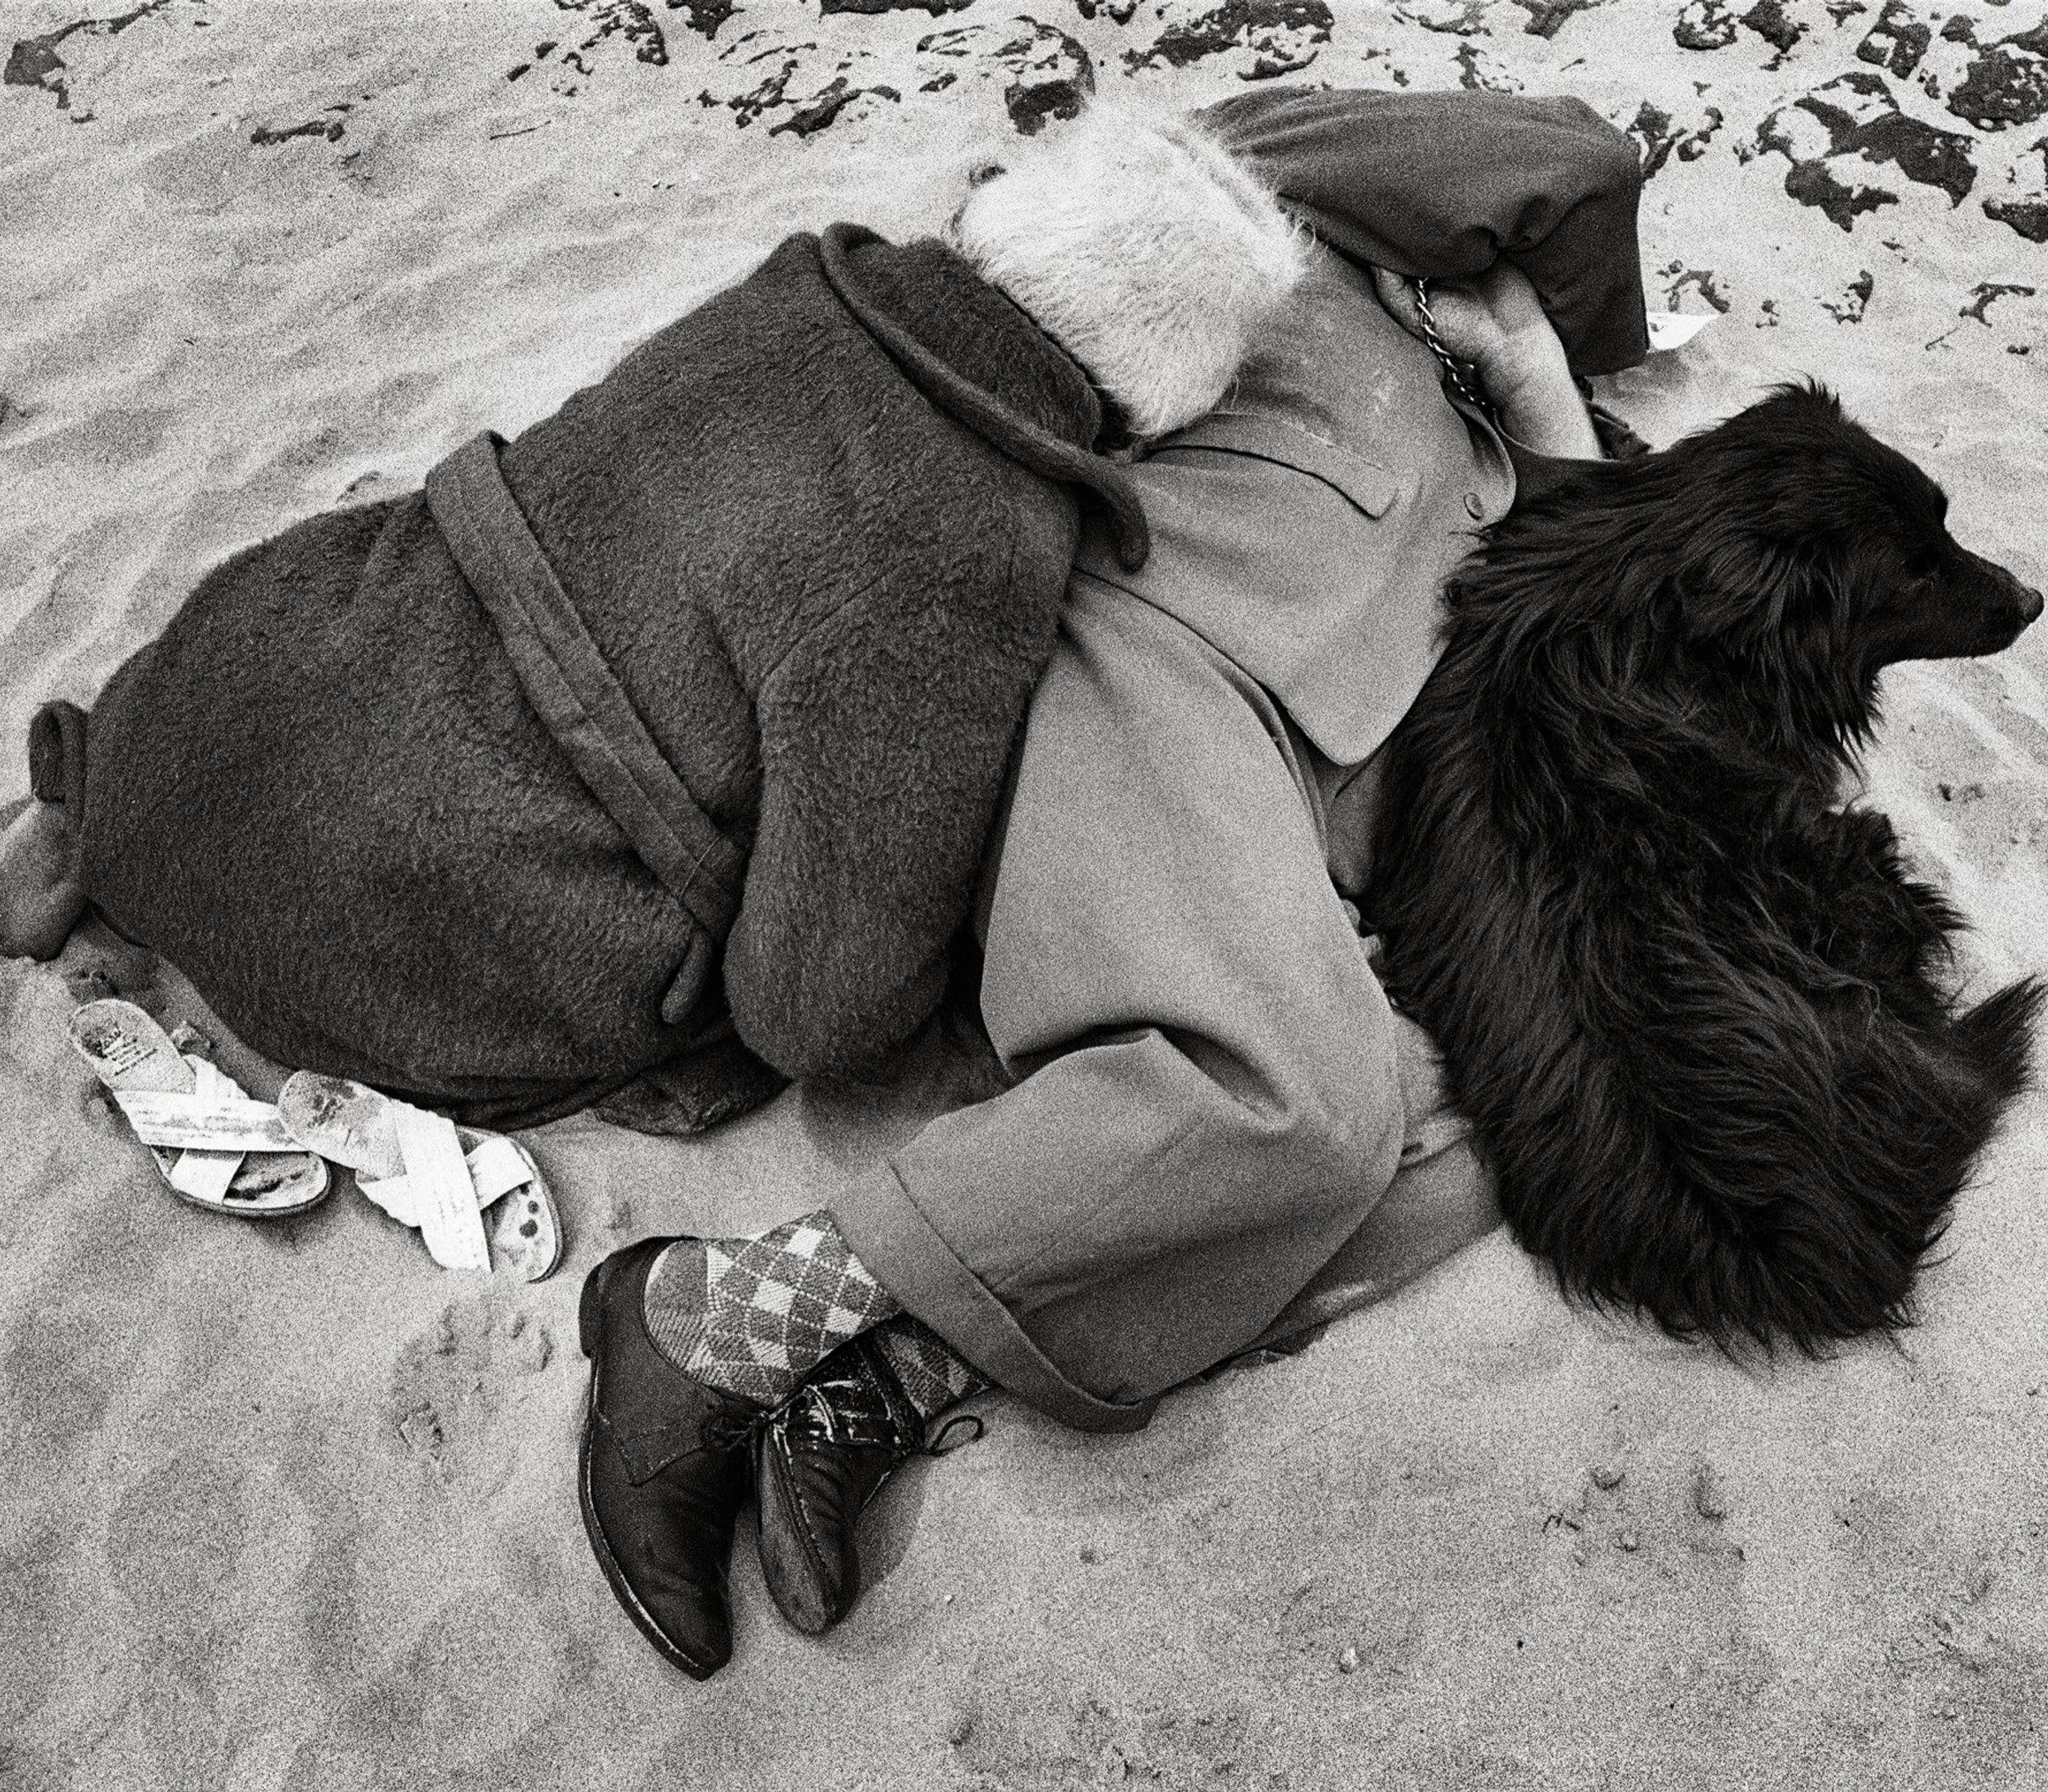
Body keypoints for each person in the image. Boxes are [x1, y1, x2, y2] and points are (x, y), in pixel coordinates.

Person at [577, 88, 1653, 1678]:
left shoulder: (1514, 419)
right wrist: (1480, 248)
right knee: (1294, 1103)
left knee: (1536, 1098)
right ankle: (712, 1320)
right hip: (1155, 677)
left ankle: (905, 1362)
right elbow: (1535, 156)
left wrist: (1546, 387)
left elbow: (1614, 661)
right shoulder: (1276, 227)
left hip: (1325, 815)